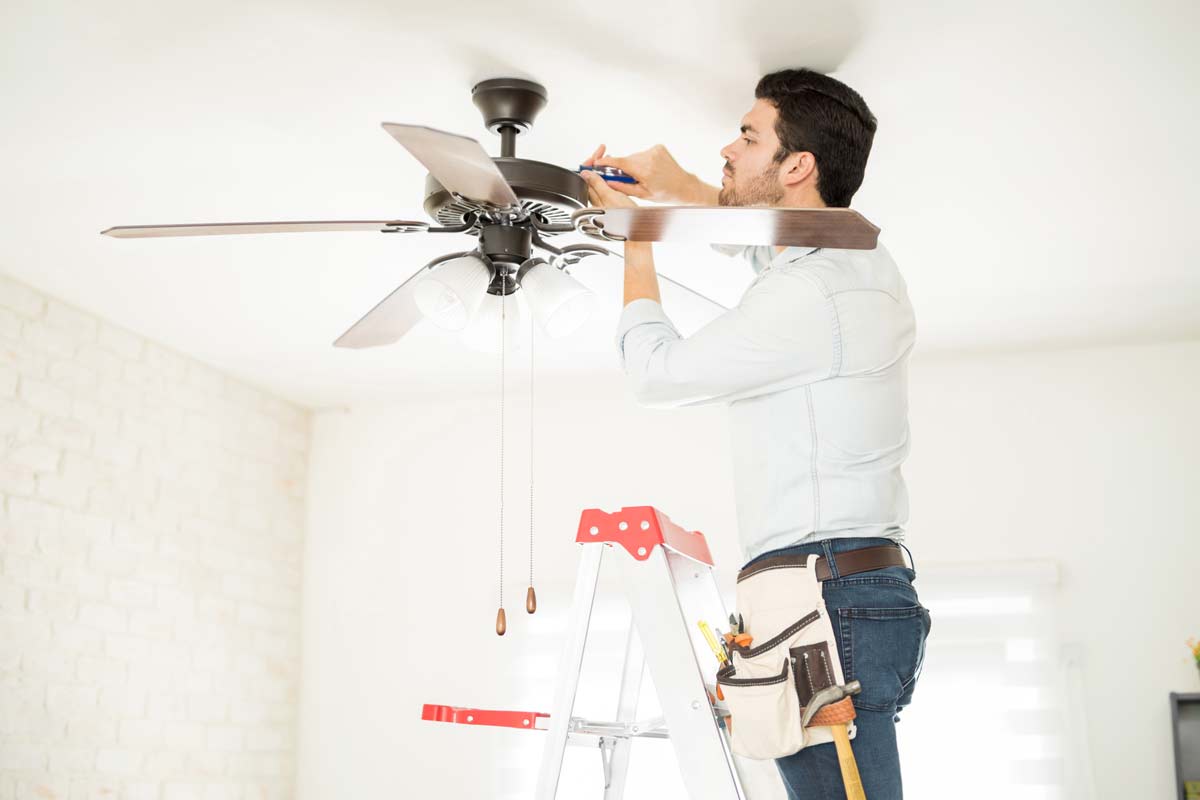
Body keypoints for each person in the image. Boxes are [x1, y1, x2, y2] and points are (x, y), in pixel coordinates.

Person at [580, 68, 932, 799]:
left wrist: (636, 241)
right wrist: (675, 183)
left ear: (797, 165)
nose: (728, 149)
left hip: (821, 598)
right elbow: (756, 234)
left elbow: (658, 374)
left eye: (748, 136)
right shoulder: (848, 264)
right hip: (839, 590)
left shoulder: (810, 292)